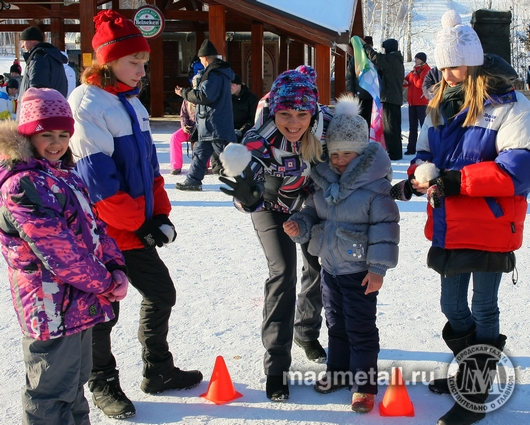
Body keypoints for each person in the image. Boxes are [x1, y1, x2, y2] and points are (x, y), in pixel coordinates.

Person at [392, 10, 530, 425]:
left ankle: (474, 386)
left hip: (491, 221)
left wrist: (457, 180)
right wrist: (419, 175)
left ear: (471, 60)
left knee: (484, 307)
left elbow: (517, 170)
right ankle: (473, 367)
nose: (446, 72)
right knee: (451, 304)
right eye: (443, 63)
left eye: (453, 64)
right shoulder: (437, 102)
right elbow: (425, 153)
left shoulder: (511, 102)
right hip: (449, 222)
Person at [68, 10, 202, 419]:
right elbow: (99, 184)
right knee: (104, 311)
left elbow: (150, 169)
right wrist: (139, 223)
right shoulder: (88, 104)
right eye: (135, 62)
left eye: (144, 62)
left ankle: (157, 370)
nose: (143, 70)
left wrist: (159, 215)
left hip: (133, 229)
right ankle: (103, 382)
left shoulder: (129, 102)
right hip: (102, 235)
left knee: (162, 293)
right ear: (107, 61)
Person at [0, 87, 128, 425]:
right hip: (49, 307)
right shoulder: (22, 185)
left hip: (78, 301)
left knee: (73, 387)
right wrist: (104, 282)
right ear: (28, 135)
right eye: (46, 135)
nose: (56, 143)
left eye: (63, 134)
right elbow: (59, 252)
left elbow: (96, 228)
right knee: (50, 392)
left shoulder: (65, 175)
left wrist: (115, 265)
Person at [218, 70, 333, 401]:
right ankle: (276, 366)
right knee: (282, 271)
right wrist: (248, 197)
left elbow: (354, 157)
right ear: (273, 112)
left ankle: (306, 331)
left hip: (310, 205)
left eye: (301, 114)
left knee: (317, 264)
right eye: (285, 114)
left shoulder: (328, 128)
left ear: (313, 111)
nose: (293, 123)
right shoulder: (261, 135)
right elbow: (247, 174)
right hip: (270, 206)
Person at [284, 95, 399, 413]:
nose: (340, 160)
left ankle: (363, 385)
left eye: (348, 153)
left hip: (360, 271)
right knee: (335, 324)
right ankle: (337, 372)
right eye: (335, 154)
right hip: (331, 269)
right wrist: (300, 225)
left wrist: (377, 268)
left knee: (360, 328)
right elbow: (311, 212)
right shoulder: (325, 183)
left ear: (362, 152)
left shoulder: (376, 187)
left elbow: (386, 229)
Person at [175, 39, 237, 190]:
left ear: (205, 58)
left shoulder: (213, 74)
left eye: (201, 59)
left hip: (214, 122)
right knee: (200, 152)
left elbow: (205, 96)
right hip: (209, 123)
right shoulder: (218, 72)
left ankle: (247, 180)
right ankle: (193, 180)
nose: (201, 62)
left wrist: (184, 93)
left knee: (228, 155)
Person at [361, 38, 404, 160]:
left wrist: (365, 46)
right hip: (395, 97)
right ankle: (396, 152)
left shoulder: (391, 59)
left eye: (385, 48)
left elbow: (376, 58)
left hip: (390, 97)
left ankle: (394, 154)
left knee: (390, 127)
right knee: (394, 126)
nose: (384, 51)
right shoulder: (397, 60)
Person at [210, 74, 259, 173]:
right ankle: (219, 167)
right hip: (228, 128)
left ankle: (242, 167)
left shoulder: (251, 99)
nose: (229, 87)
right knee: (216, 139)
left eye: (232, 85)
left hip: (246, 129)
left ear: (239, 85)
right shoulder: (224, 98)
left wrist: (241, 131)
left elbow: (253, 119)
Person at [18, 26, 67, 103]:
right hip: (55, 106)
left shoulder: (39, 58)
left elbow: (37, 90)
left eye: (23, 42)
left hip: (39, 110)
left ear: (32, 40)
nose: (22, 46)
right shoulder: (52, 56)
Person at [169, 72, 201, 175]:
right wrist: (184, 126)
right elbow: (183, 114)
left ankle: (202, 165)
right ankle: (176, 166)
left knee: (202, 142)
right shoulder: (187, 98)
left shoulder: (206, 98)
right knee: (174, 138)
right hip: (189, 127)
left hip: (202, 129)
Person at [403, 52, 430, 155]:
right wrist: (405, 82)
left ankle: (426, 147)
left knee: (424, 126)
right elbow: (406, 81)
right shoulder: (414, 70)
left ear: (422, 60)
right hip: (412, 102)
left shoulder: (426, 70)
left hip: (422, 102)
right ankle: (411, 148)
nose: (415, 60)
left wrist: (414, 74)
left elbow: (419, 84)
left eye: (417, 59)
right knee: (412, 127)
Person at [346, 36, 374, 126]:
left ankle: (368, 138)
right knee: (358, 119)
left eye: (369, 45)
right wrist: (350, 91)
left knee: (369, 120)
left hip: (372, 95)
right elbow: (349, 76)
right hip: (359, 94)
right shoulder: (355, 59)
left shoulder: (374, 58)